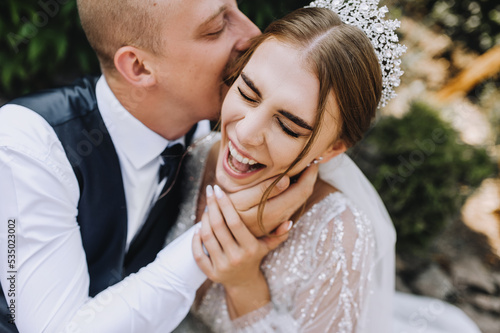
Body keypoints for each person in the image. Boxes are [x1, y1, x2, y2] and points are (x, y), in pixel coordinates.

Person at [0, 0, 317, 332]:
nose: (254, 33)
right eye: (216, 27)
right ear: (139, 67)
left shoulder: (228, 144)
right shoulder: (30, 146)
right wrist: (212, 237)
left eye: (236, 8)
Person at [163, 3, 481, 333]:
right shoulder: (193, 155)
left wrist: (244, 285)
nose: (244, 133)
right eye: (246, 92)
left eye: (288, 127)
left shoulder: (338, 237)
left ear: (333, 148)